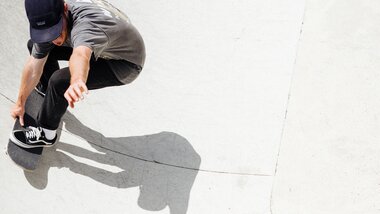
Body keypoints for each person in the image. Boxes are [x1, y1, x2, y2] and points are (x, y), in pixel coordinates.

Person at [10, 0, 145, 148]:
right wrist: (20, 102)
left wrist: (77, 80)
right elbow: (34, 65)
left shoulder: (87, 26)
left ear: (65, 9)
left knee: (60, 81)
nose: (55, 39)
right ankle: (49, 93)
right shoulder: (54, 17)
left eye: (55, 31)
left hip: (124, 62)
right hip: (103, 42)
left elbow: (81, 55)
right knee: (37, 47)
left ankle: (46, 134)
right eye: (46, 34)